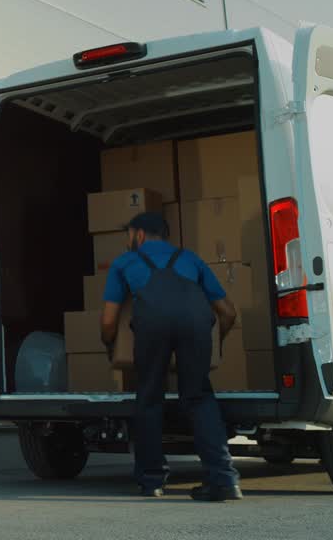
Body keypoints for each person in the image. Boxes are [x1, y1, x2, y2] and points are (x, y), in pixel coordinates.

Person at [101, 212, 241, 501]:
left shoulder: (125, 262)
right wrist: (217, 342)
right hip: (196, 324)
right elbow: (228, 312)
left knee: (150, 397)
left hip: (151, 325)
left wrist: (109, 346)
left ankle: (152, 482)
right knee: (199, 397)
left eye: (128, 234)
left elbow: (108, 321)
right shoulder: (191, 259)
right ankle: (224, 480)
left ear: (138, 235)